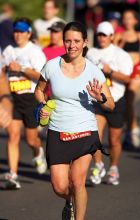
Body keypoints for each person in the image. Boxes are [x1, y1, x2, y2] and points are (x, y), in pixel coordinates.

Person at [35, 21, 114, 220]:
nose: (72, 45)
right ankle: (69, 201)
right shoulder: (51, 66)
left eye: (77, 41)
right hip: (57, 130)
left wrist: (100, 98)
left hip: (85, 130)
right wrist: (44, 105)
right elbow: (39, 90)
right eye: (67, 41)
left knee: (77, 181)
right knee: (59, 185)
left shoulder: (94, 71)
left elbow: (110, 104)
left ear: (85, 42)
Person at [1, 17, 47, 189]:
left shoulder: (35, 52)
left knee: (30, 139)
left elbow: (42, 77)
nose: (18, 34)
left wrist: (21, 69)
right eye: (15, 31)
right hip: (13, 98)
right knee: (13, 136)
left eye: (21, 31)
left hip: (30, 99)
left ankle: (38, 151)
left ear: (28, 33)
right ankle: (13, 175)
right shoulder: (8, 51)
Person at [87, 21, 133, 185]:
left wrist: (110, 72)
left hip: (116, 100)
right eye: (99, 34)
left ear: (112, 36)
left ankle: (113, 167)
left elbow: (127, 78)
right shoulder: (90, 53)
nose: (102, 38)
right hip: (97, 100)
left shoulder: (121, 55)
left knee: (114, 140)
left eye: (105, 35)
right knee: (95, 137)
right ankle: (98, 165)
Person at [113, 9, 140, 147]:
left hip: (138, 72)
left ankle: (132, 129)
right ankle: (131, 129)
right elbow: (112, 52)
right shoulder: (118, 36)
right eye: (125, 18)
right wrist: (120, 44)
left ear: (135, 21)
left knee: (130, 98)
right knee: (126, 102)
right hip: (124, 72)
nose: (127, 21)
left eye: (130, 18)